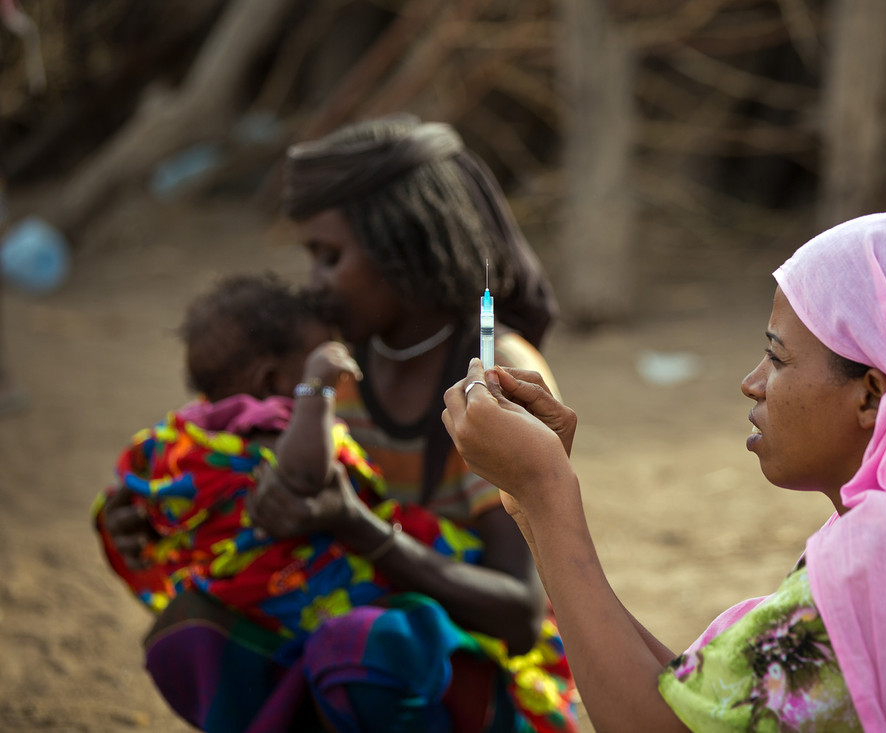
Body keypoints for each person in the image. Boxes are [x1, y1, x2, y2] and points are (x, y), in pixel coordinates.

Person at [442, 211, 886, 732]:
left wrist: (549, 492)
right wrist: (533, 507)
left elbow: (657, 725)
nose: (752, 384)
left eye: (778, 359)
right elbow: (698, 698)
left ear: (872, 393)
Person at [99, 115, 576, 733]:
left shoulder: (491, 377)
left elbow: (518, 610)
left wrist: (355, 524)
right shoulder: (328, 369)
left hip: (479, 674)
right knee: (190, 632)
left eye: (330, 256)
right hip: (346, 637)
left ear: (402, 246)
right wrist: (158, 507)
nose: (315, 282)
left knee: (362, 648)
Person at [96, 273, 483, 642]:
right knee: (436, 546)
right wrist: (316, 388)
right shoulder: (267, 420)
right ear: (270, 380)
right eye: (316, 357)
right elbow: (304, 476)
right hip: (291, 584)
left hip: (234, 597)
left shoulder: (195, 427)